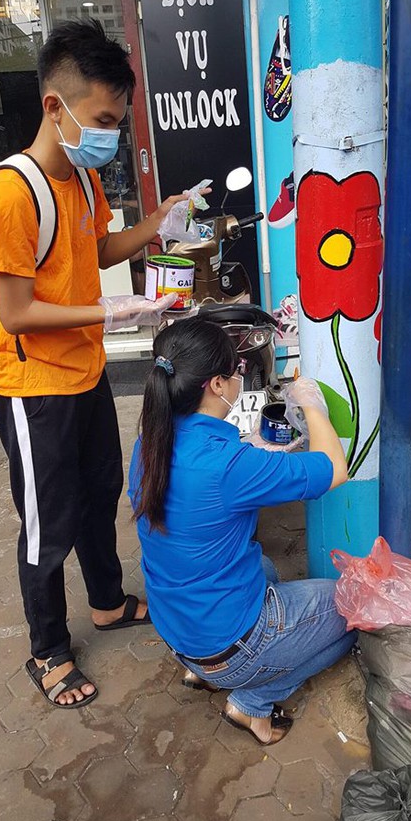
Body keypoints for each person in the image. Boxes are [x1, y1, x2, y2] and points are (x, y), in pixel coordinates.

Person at [0, 20, 190, 708]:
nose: (111, 132)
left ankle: (105, 600)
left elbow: (97, 253)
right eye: (101, 118)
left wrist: (159, 219)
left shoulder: (84, 177)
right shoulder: (12, 192)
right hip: (30, 381)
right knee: (49, 521)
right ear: (53, 106)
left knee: (101, 495)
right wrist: (110, 315)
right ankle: (47, 649)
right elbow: (14, 313)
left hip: (83, 370)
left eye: (117, 121)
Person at [128, 318, 357, 745]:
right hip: (227, 641)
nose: (240, 377)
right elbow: (335, 469)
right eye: (237, 370)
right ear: (216, 384)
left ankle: (204, 672)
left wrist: (249, 450)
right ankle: (253, 702)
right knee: (353, 608)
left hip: (177, 627)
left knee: (265, 565)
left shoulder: (150, 442)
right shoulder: (229, 466)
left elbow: (202, 491)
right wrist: (312, 404)